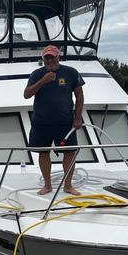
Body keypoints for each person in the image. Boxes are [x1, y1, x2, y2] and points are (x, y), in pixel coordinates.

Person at [23, 45, 84, 196]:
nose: (50, 60)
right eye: (47, 58)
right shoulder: (36, 74)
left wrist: (77, 118)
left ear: (58, 57)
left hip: (65, 122)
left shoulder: (71, 72)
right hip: (41, 123)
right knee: (43, 153)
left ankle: (68, 186)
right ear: (43, 59)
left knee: (69, 153)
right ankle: (47, 185)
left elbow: (79, 96)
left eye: (52, 57)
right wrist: (43, 81)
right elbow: (26, 94)